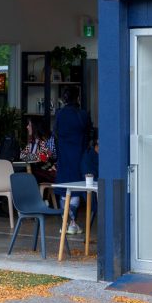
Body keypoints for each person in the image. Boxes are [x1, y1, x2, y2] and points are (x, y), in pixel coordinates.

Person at [53, 86, 93, 234]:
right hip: (79, 156)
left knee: (65, 190)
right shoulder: (83, 115)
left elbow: (55, 135)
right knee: (76, 189)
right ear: (78, 98)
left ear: (64, 99)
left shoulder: (59, 114)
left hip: (64, 156)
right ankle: (72, 223)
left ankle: (67, 223)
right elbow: (89, 134)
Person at [19, 116, 57, 183]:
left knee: (26, 178)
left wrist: (31, 157)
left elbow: (45, 157)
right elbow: (22, 155)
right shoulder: (33, 142)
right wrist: (36, 157)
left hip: (49, 172)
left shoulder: (48, 140)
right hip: (38, 172)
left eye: (29, 125)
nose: (27, 127)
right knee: (19, 175)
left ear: (35, 127)